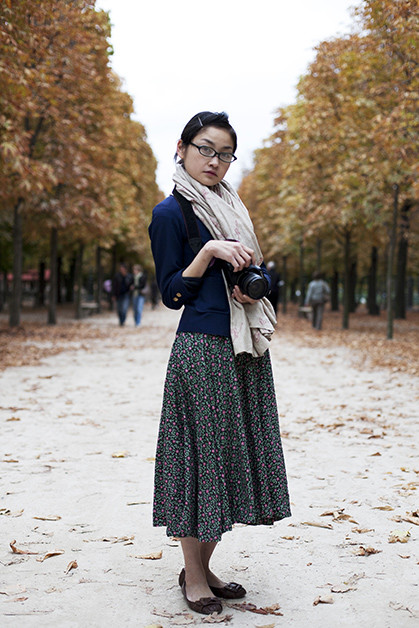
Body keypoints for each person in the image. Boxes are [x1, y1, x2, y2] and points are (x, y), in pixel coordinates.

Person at [148, 111, 291, 616]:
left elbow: (261, 272)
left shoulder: (234, 208)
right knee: (200, 459)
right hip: (201, 348)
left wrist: (255, 284)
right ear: (182, 148)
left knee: (230, 458)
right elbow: (171, 293)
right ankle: (193, 577)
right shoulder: (170, 214)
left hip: (243, 350)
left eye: (225, 154)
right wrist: (208, 252)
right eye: (205, 149)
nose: (214, 161)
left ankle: (202, 569)